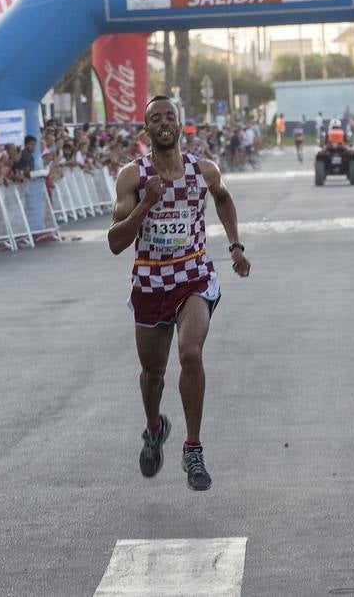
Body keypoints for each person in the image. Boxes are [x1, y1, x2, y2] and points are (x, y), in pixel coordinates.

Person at [108, 96, 251, 492]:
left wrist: (235, 246)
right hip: (151, 282)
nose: (164, 122)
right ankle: (154, 428)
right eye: (155, 118)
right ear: (146, 130)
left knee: (190, 353)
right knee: (154, 373)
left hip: (194, 277)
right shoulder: (132, 177)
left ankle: (193, 449)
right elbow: (115, 241)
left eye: (170, 115)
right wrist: (145, 204)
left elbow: (223, 197)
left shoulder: (203, 170)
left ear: (180, 123)